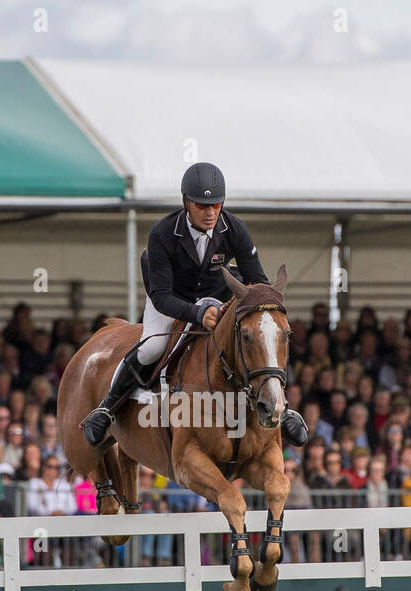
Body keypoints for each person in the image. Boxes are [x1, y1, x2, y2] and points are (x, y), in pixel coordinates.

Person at [80, 162, 308, 448]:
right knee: (152, 347)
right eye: (202, 205)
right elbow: (161, 296)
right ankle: (107, 408)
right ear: (186, 202)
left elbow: (257, 282)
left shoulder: (234, 227)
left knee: (263, 337)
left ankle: (282, 409)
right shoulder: (162, 233)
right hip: (171, 297)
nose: (211, 212)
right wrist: (196, 312)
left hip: (218, 293)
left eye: (216, 204)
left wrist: (263, 307)